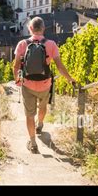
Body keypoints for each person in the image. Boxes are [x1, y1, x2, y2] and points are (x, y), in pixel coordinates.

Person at [13, 17, 76, 154]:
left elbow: (16, 65)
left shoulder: (22, 44)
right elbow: (60, 66)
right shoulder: (51, 44)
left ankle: (33, 143)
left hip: (28, 85)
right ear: (43, 29)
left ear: (30, 28)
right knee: (42, 106)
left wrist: (17, 80)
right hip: (45, 84)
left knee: (29, 115)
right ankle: (40, 124)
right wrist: (70, 79)